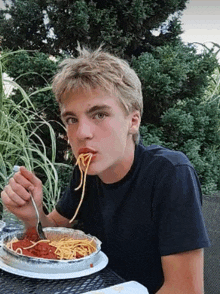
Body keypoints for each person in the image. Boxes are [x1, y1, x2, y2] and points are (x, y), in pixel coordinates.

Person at [1, 46, 210, 294]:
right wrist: (32, 215)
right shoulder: (87, 171)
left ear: (133, 120)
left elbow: (186, 289)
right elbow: (54, 235)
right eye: (71, 119)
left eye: (99, 114)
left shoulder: (170, 173)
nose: (82, 133)